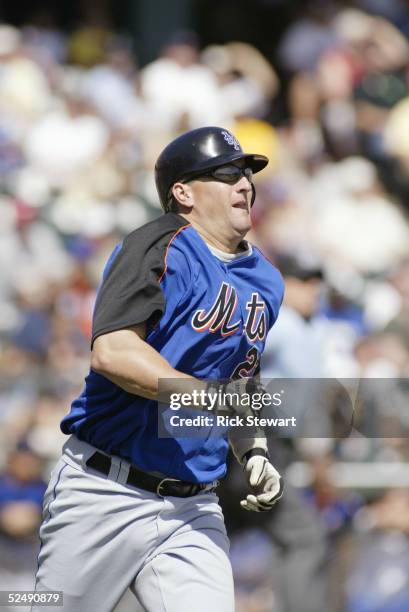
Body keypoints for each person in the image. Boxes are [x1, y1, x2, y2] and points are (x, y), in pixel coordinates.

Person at [33, 126, 285, 612]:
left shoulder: (266, 279)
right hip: (104, 490)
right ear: (183, 192)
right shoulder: (159, 245)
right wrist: (206, 397)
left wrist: (254, 448)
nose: (245, 183)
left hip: (194, 506)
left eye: (248, 172)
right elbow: (113, 352)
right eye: (227, 172)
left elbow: (239, 379)